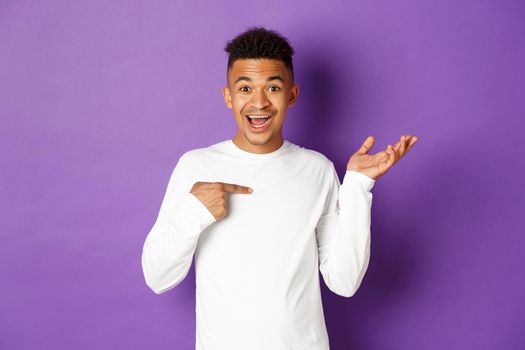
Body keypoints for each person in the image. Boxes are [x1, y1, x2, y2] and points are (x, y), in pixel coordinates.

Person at [141, 26, 417, 350]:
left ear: (292, 95)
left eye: (272, 87)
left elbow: (344, 281)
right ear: (228, 96)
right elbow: (158, 277)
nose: (259, 102)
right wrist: (195, 212)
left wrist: (358, 185)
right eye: (245, 88)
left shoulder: (318, 169)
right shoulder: (196, 166)